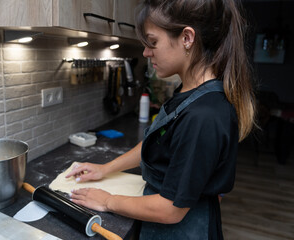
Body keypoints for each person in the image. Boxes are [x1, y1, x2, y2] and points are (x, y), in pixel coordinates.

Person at [67, 0, 256, 239]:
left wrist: (107, 201)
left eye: (152, 42)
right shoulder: (189, 93)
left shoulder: (204, 115)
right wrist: (105, 169)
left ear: (187, 38)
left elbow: (171, 209)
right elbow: (156, 142)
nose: (146, 52)